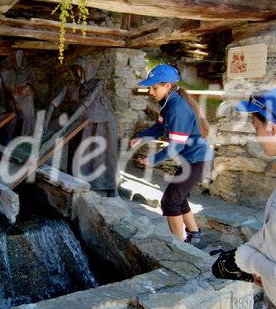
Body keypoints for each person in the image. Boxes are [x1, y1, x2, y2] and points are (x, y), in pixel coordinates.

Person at [130, 64, 213, 248]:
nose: (151, 92)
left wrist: (153, 160)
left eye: (154, 87)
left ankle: (179, 246)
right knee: (178, 198)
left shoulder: (177, 109)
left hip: (199, 161)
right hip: (191, 160)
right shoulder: (168, 105)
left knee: (170, 201)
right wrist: (141, 137)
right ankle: (195, 235)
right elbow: (159, 128)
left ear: (168, 86)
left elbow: (175, 147)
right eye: (150, 87)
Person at [234, 86, 276, 309]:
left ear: (273, 129)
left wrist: (249, 260)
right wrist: (261, 268)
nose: (256, 136)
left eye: (256, 128)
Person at [44, 58, 118, 197]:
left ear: (87, 71)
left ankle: (107, 185)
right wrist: (45, 126)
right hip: (80, 123)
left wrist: (65, 127)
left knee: (100, 154)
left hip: (100, 123)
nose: (78, 75)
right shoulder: (70, 86)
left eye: (81, 71)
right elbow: (54, 103)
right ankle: (78, 179)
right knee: (78, 150)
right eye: (75, 71)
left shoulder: (97, 84)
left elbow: (84, 104)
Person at [0, 50, 36, 145]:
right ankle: (4, 155)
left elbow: (33, 88)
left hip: (27, 110)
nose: (17, 58)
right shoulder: (4, 73)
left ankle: (22, 157)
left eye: (19, 55)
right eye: (14, 55)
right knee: (8, 134)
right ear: (11, 57)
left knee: (25, 136)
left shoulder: (29, 72)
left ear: (24, 57)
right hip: (12, 109)